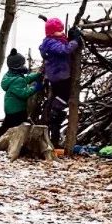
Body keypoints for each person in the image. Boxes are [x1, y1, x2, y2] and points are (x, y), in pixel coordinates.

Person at [39, 18, 82, 147]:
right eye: (59, 31)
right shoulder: (52, 43)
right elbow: (65, 50)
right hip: (60, 75)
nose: (62, 32)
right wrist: (75, 41)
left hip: (58, 75)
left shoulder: (52, 40)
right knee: (64, 95)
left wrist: (70, 38)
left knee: (59, 95)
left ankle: (55, 112)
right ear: (52, 32)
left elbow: (63, 45)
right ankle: (56, 112)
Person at [0, 49, 42, 139]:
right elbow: (24, 93)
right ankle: (1, 139)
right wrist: (35, 88)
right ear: (18, 66)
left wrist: (36, 75)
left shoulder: (10, 76)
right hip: (17, 110)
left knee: (7, 124)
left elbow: (25, 79)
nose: (24, 66)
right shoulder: (18, 80)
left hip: (10, 107)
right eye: (22, 64)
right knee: (17, 126)